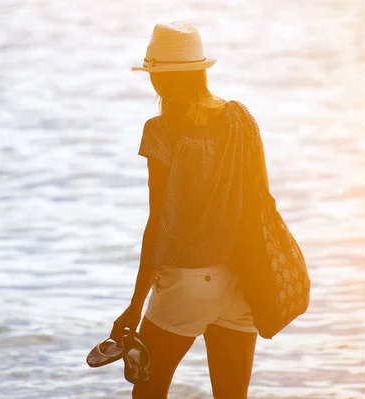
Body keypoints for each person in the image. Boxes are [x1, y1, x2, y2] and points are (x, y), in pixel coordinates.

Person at [110, 22, 269, 399]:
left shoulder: (160, 130)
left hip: (188, 282)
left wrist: (135, 306)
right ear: (200, 71)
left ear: (159, 80)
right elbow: (262, 200)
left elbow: (159, 221)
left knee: (148, 392)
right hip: (242, 279)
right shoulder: (241, 118)